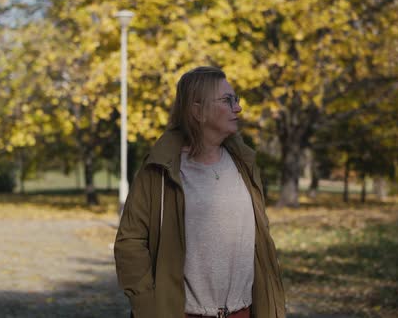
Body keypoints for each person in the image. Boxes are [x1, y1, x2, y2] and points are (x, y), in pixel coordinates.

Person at [114, 66, 285, 318]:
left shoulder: (243, 162)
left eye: (235, 100)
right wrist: (148, 307)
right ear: (197, 110)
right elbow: (130, 242)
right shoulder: (161, 170)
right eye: (227, 101)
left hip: (244, 313)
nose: (237, 108)